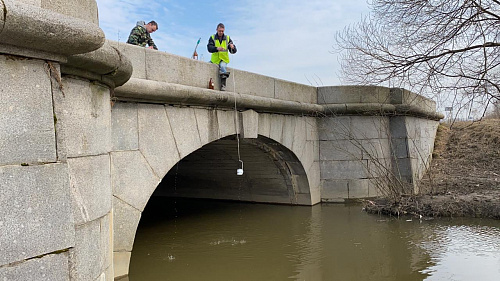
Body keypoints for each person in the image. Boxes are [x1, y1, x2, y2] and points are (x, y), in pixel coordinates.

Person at [207, 23, 237, 91]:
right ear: (217, 30)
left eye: (222, 31)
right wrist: (217, 48)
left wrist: (233, 47)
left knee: (223, 67)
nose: (221, 32)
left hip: (224, 59)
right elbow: (209, 48)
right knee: (207, 65)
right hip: (215, 59)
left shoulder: (227, 38)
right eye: (220, 31)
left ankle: (223, 85)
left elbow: (233, 51)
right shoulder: (212, 37)